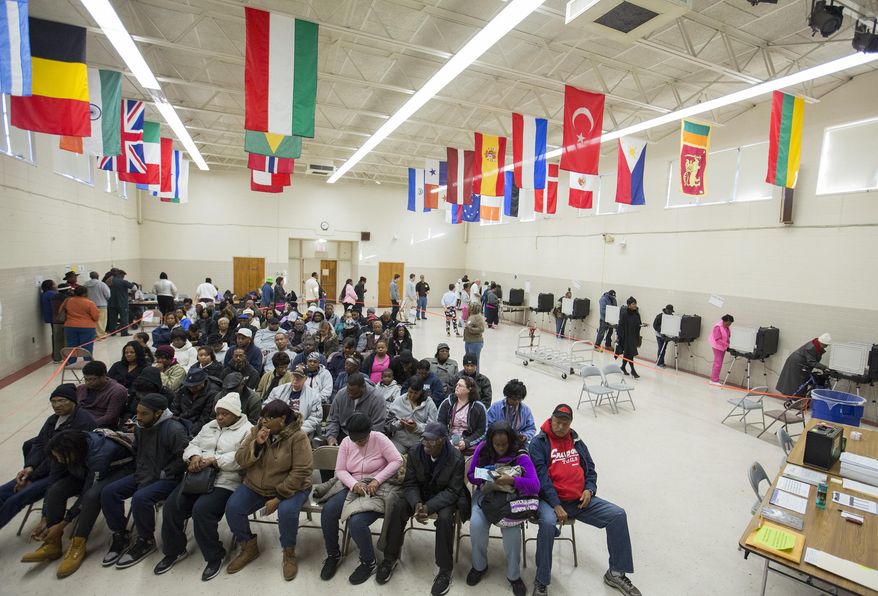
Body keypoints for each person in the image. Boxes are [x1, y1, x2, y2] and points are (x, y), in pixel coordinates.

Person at [530, 405, 640, 596]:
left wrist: (589, 489)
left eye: (565, 423)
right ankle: (541, 580)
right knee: (548, 524)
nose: (561, 427)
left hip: (580, 500)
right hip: (550, 501)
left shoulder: (576, 440)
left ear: (570, 424)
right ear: (551, 419)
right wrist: (556, 505)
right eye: (557, 422)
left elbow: (590, 468)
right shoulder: (539, 443)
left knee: (617, 515)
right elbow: (541, 479)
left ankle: (615, 573)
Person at [155, 394, 252, 580]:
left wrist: (214, 460)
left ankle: (214, 555)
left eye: (225, 414)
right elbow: (193, 444)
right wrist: (194, 457)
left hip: (226, 479)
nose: (220, 417)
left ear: (236, 414)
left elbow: (242, 458)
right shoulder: (209, 426)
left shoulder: (248, 430)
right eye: (218, 413)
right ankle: (175, 550)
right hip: (197, 477)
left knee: (202, 510)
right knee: (171, 507)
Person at [20, 429, 133, 577]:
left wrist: (63, 524)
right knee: (56, 490)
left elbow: (88, 492)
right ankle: (53, 543)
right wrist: (45, 516)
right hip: (85, 470)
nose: (58, 460)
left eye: (60, 457)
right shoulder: (61, 451)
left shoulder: (101, 453)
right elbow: (54, 479)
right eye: (56, 457)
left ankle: (78, 543)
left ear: (72, 452)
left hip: (119, 470)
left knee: (92, 496)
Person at [225, 399, 314, 580]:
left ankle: (288, 553)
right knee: (233, 508)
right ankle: (249, 547)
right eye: (262, 417)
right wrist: (256, 445)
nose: (264, 422)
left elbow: (301, 471)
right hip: (257, 485)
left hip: (293, 487)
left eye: (268, 418)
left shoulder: (298, 437)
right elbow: (241, 459)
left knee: (287, 512)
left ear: (282, 419)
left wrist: (279, 497)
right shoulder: (257, 431)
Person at [377, 422, 468, 594]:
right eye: (424, 438)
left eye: (430, 440)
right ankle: (390, 558)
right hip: (420, 493)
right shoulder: (414, 452)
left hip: (444, 496)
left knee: (444, 519)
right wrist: (417, 503)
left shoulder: (456, 458)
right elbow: (410, 483)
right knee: (399, 507)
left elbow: (453, 491)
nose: (425, 443)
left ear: (442, 440)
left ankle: (444, 570)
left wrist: (429, 506)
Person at [100, 393, 189, 569]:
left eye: (143, 413)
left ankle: (146, 540)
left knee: (141, 498)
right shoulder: (140, 428)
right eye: (138, 412)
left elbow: (184, 459)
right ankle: (120, 534)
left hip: (169, 478)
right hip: (144, 472)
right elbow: (137, 451)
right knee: (109, 492)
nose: (138, 417)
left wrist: (164, 473)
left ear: (158, 413)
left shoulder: (174, 430)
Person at [318, 412, 402, 584]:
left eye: (362, 439)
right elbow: (340, 470)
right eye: (355, 439)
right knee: (328, 511)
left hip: (377, 486)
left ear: (370, 432)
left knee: (357, 522)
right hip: (352, 484)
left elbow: (397, 460)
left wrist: (377, 480)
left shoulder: (379, 439)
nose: (359, 443)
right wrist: (353, 484)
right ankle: (333, 554)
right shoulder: (347, 442)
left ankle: (369, 561)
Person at [0, 384, 96, 532]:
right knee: (3, 492)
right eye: (53, 401)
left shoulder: (82, 422)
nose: (56, 405)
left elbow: (60, 462)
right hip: (41, 470)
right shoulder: (53, 419)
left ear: (73, 402)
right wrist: (29, 467)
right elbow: (39, 443)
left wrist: (33, 476)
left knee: (15, 499)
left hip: (65, 473)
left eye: (61, 401)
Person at [467, 421, 540, 596]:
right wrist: (489, 475)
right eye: (496, 444)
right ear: (490, 441)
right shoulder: (483, 448)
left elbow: (535, 485)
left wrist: (512, 480)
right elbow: (471, 475)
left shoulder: (520, 454)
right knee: (476, 525)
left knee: (512, 533)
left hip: (510, 499)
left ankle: (514, 576)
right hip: (486, 496)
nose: (500, 448)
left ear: (511, 441)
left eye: (504, 444)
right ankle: (479, 566)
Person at [325, 373, 386, 445]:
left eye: (354, 393)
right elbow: (333, 419)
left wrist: (361, 442)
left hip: (365, 437)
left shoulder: (377, 398)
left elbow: (377, 427)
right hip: (343, 433)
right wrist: (331, 436)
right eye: (348, 392)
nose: (350, 395)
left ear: (363, 387)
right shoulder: (341, 394)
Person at [264, 365, 323, 438]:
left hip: (300, 430)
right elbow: (266, 407)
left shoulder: (314, 396)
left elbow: (315, 418)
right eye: (294, 375)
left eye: (299, 377)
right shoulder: (277, 390)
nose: (296, 379)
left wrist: (296, 429)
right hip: (277, 428)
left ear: (305, 378)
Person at [437, 376, 487, 455]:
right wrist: (448, 440)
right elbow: (440, 424)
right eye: (456, 385)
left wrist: (467, 442)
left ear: (469, 389)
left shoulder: (479, 407)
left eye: (460, 386)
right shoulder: (447, 403)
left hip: (469, 442)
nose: (457, 387)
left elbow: (481, 431)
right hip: (448, 439)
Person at [385, 383, 438, 454]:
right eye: (410, 392)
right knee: (389, 456)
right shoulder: (399, 400)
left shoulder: (429, 404)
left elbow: (432, 428)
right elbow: (387, 424)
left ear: (421, 392)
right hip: (399, 441)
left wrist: (416, 427)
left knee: (417, 460)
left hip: (419, 443)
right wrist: (399, 424)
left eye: (416, 393)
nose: (412, 395)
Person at [77, 361, 129, 428]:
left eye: (92, 379)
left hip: (100, 427)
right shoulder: (81, 388)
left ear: (103, 376)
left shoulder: (117, 391)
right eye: (86, 379)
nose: (88, 382)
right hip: (79, 422)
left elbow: (110, 417)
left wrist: (88, 425)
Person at [171, 367, 220, 435]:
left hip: (197, 427)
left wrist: (190, 432)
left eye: (195, 386)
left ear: (203, 381)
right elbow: (175, 408)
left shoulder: (212, 393)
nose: (192, 388)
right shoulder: (184, 389)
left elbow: (205, 418)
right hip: (180, 421)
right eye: (189, 386)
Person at [61, 286, 99, 361]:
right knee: (87, 345)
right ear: (85, 294)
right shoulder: (89, 303)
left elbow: (60, 311)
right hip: (87, 327)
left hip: (70, 326)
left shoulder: (68, 301)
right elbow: (95, 317)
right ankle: (87, 362)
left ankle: (71, 362)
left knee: (71, 346)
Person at [615, 297, 643, 379]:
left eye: (635, 303)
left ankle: (623, 366)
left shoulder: (637, 314)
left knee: (628, 353)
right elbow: (620, 326)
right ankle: (633, 370)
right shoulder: (624, 314)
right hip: (626, 337)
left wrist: (641, 325)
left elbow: (638, 324)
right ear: (629, 305)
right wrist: (619, 337)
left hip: (633, 337)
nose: (635, 305)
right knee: (630, 353)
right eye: (633, 304)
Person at [41, 279, 64, 363]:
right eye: (54, 284)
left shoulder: (44, 294)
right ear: (51, 286)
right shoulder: (52, 294)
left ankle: (56, 356)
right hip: (56, 319)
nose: (56, 286)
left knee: (55, 336)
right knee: (58, 338)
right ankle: (58, 356)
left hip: (50, 318)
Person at [82, 271, 111, 336]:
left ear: (90, 277)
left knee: (92, 320)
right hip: (101, 305)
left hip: (89, 305)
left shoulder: (85, 284)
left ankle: (93, 334)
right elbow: (108, 295)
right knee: (101, 321)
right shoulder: (101, 284)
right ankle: (101, 334)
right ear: (98, 276)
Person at [709, 314, 734, 385]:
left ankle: (715, 378)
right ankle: (713, 380)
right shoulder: (718, 327)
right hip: (717, 347)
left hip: (722, 347)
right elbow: (717, 339)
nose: (729, 325)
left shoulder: (726, 327)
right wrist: (727, 345)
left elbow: (727, 336)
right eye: (728, 323)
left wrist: (730, 344)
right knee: (718, 363)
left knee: (718, 363)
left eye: (730, 324)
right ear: (724, 321)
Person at [107, 269, 134, 336]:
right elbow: (134, 288)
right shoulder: (123, 282)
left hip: (111, 303)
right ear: (120, 274)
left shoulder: (108, 281)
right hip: (122, 304)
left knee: (112, 319)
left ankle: (112, 333)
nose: (123, 277)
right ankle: (124, 332)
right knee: (124, 318)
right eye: (123, 275)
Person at [463, 302, 486, 367]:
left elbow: (481, 329)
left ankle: (475, 376)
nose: (469, 308)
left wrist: (470, 329)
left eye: (470, 307)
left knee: (474, 362)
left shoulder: (478, 317)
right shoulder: (471, 316)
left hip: (475, 343)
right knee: (468, 361)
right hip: (468, 341)